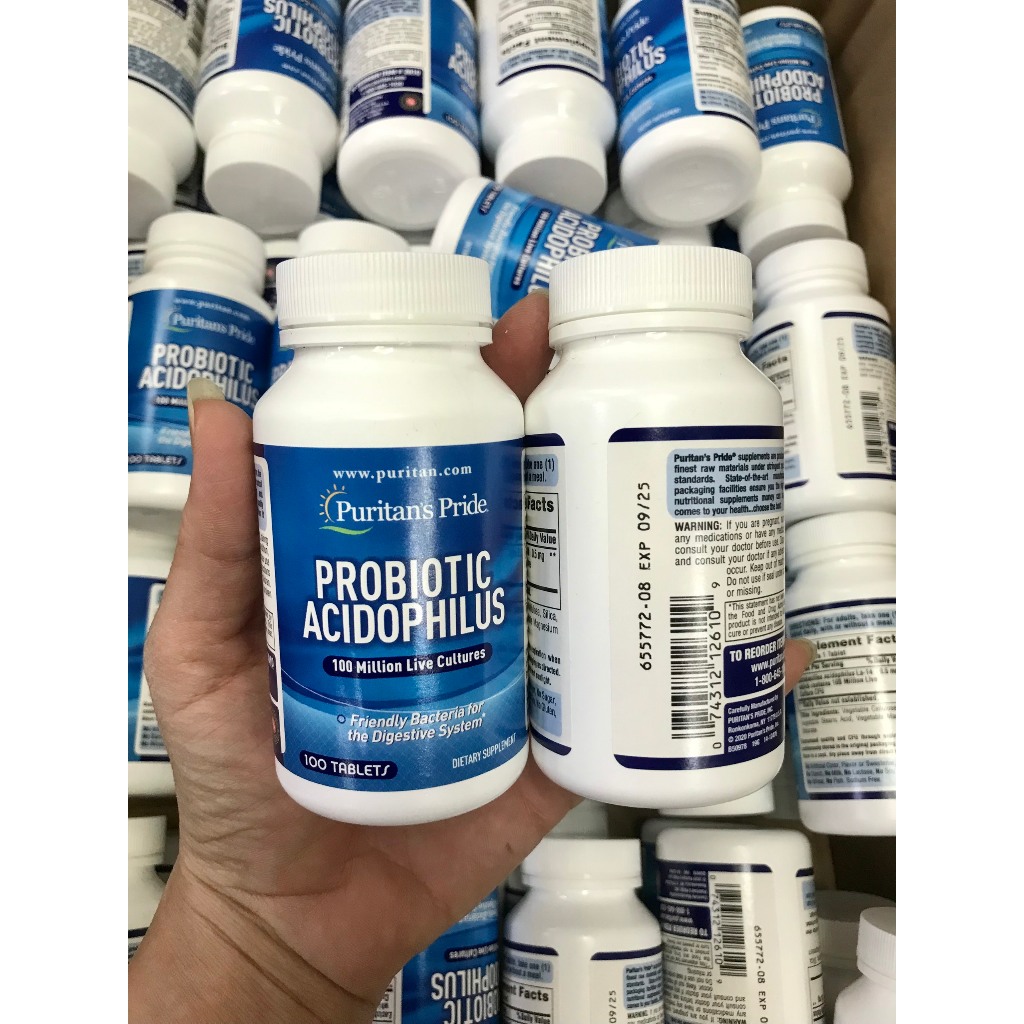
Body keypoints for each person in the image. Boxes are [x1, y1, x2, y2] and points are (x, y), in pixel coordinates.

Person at [128, 291, 816, 1023]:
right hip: (340, 756)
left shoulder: (488, 409)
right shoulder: (314, 415)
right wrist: (243, 932)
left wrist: (248, 945)